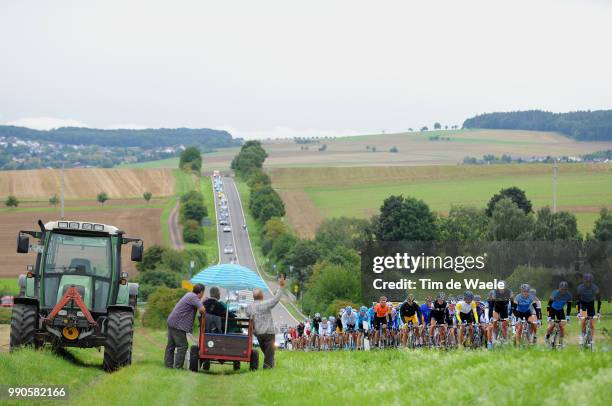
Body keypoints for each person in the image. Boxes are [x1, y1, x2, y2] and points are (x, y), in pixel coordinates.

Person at [245, 276, 286, 369]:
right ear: (262, 296)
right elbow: (276, 299)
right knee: (269, 352)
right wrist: (281, 287)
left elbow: (247, 315)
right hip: (268, 332)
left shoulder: (249, 307)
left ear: (253, 297)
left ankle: (270, 364)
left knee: (267, 352)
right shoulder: (266, 304)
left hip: (258, 333)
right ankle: (267, 366)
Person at [165, 283, 206, 369]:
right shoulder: (194, 297)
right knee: (183, 345)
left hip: (172, 321)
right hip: (178, 324)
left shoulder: (189, 294)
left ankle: (168, 365)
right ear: (201, 292)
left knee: (171, 345)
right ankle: (178, 367)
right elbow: (202, 309)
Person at [576, 273, 601, 347]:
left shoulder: (595, 288)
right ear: (583, 281)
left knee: (592, 324)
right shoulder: (580, 288)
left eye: (589, 282)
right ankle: (582, 335)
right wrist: (578, 312)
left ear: (591, 281)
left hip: (591, 305)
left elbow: (599, 300)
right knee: (583, 320)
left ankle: (592, 340)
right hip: (583, 305)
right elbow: (578, 301)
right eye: (586, 282)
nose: (588, 283)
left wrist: (598, 312)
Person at [545, 281, 572, 346]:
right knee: (551, 325)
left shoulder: (568, 295)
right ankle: (547, 336)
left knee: (562, 326)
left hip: (560, 310)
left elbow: (569, 306)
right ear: (559, 288)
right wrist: (549, 315)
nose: (563, 291)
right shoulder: (555, 293)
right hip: (552, 309)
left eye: (565, 290)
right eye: (562, 289)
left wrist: (568, 316)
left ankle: (561, 341)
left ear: (567, 289)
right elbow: (549, 305)